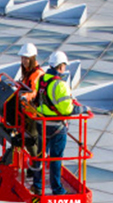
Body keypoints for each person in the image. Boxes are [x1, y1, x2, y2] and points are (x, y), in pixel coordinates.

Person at [32, 51, 84, 194]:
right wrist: (81, 109)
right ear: (60, 66)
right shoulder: (60, 85)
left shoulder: (42, 79)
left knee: (41, 155)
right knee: (56, 158)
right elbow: (67, 109)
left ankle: (37, 184)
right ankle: (57, 188)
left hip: (42, 123)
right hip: (56, 126)